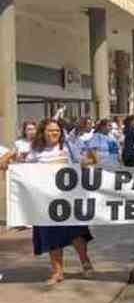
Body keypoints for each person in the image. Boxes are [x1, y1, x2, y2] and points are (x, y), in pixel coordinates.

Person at [7, 119, 95, 285]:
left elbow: (84, 163)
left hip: (67, 200)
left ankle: (86, 263)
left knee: (76, 234)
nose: (54, 133)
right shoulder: (34, 151)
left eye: (57, 130)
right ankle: (57, 271)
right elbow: (23, 169)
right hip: (44, 202)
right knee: (51, 236)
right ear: (43, 132)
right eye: (50, 130)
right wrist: (11, 157)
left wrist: (87, 162)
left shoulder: (68, 147)